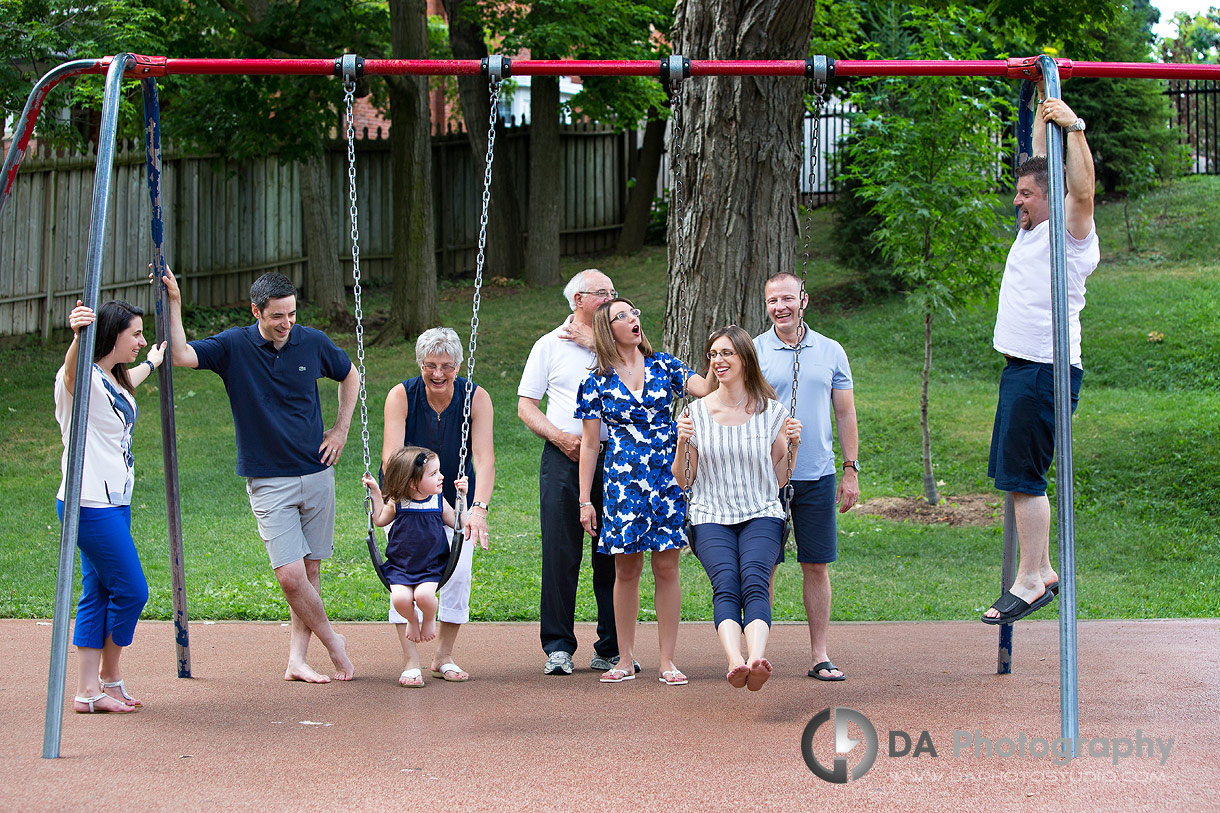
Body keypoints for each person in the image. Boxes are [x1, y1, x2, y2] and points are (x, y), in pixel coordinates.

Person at [159, 267, 358, 683]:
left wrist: (340, 428)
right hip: (268, 479)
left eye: (292, 314)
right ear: (256, 311)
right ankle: (332, 641)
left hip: (317, 472)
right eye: (277, 316)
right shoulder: (233, 345)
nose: (286, 323)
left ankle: (297, 661)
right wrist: (175, 301)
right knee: (290, 575)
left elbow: (349, 373)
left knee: (311, 572)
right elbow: (180, 355)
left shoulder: (312, 342)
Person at [982, 88, 1098, 625]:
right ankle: (1032, 569)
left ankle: (1036, 574)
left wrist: (1072, 125)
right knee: (1013, 472)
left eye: (1027, 194)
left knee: (1025, 475)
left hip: (1045, 370)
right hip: (1022, 369)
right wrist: (1040, 94)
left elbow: (1081, 189)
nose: (1018, 201)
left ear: (1049, 198)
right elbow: (1042, 162)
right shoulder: (1033, 232)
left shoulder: (1069, 233)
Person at [576, 298, 717, 685]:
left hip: (667, 477)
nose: (633, 318)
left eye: (634, 312)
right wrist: (585, 500)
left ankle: (667, 661)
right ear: (608, 329)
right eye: (621, 316)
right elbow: (589, 445)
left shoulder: (665, 366)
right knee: (626, 569)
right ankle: (624, 659)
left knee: (667, 566)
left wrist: (717, 352)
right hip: (622, 484)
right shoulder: (594, 382)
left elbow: (705, 389)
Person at [674, 326, 802, 691]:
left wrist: (794, 446)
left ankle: (757, 659)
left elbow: (780, 480)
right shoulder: (696, 413)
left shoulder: (771, 412)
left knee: (755, 581)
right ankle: (735, 662)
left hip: (761, 511)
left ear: (745, 358)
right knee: (727, 584)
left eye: (727, 353)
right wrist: (683, 442)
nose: (719, 361)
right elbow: (685, 480)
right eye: (714, 354)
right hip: (710, 515)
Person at [55, 299, 165, 712]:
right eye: (134, 334)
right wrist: (78, 336)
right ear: (111, 335)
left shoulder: (112, 379)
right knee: (133, 590)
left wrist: (153, 362)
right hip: (87, 503)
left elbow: (131, 378)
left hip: (114, 502)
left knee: (97, 592)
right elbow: (72, 373)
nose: (140, 341)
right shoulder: (80, 379)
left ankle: (89, 691)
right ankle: (109, 676)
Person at [755, 273, 860, 682]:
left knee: (816, 565)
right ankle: (756, 654)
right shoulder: (756, 350)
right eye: (771, 301)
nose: (779, 307)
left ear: (804, 300)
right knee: (764, 565)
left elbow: (846, 413)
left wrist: (850, 470)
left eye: (786, 298)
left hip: (817, 474)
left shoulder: (831, 351)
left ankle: (820, 654)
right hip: (766, 476)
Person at [518, 269, 622, 676]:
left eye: (614, 293)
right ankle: (558, 646)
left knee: (613, 554)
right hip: (565, 457)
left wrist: (598, 344)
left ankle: (611, 647)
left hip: (616, 459)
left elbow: (640, 378)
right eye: (603, 293)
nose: (611, 299)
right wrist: (561, 439)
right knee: (560, 552)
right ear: (579, 299)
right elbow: (526, 406)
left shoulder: (621, 343)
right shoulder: (548, 345)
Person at [381, 327, 494, 683]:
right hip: (408, 499)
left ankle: (443, 655)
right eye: (430, 365)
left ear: (458, 365)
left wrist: (479, 508)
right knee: (406, 578)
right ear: (420, 364)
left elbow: (484, 458)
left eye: (446, 365)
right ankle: (410, 658)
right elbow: (390, 457)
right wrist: (400, 498)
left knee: (457, 574)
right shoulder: (401, 395)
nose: (438, 374)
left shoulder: (476, 398)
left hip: (457, 498)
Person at [364, 447, 467, 687]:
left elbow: (459, 524)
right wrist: (377, 493)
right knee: (400, 599)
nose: (441, 477)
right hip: (401, 567)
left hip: (431, 567)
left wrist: (462, 496)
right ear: (412, 483)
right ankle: (413, 620)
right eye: (434, 474)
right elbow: (379, 520)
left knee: (424, 596)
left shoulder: (439, 502)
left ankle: (428, 619)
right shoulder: (398, 503)